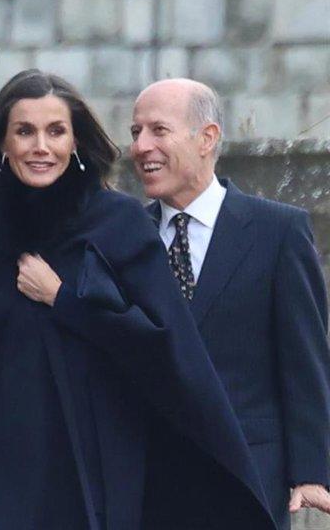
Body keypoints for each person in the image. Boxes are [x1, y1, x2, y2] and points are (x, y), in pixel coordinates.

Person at [0, 70, 276, 530]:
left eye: (56, 131)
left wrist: (63, 300)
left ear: (75, 142)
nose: (41, 147)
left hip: (96, 464)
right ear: (2, 143)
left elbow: (161, 344)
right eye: (25, 131)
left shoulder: (118, 223)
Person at [130, 78, 330, 529]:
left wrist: (310, 470)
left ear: (208, 138)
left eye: (158, 130)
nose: (141, 147)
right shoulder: (126, 238)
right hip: (152, 488)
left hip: (247, 480)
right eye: (135, 132)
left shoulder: (278, 232)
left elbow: (305, 361)